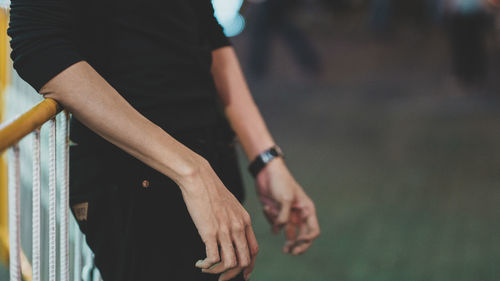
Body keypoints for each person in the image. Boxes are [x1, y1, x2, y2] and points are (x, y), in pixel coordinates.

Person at [7, 0, 320, 280]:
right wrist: (190, 172)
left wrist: (266, 159)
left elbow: (207, 34)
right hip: (136, 180)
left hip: (210, 162)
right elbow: (38, 44)